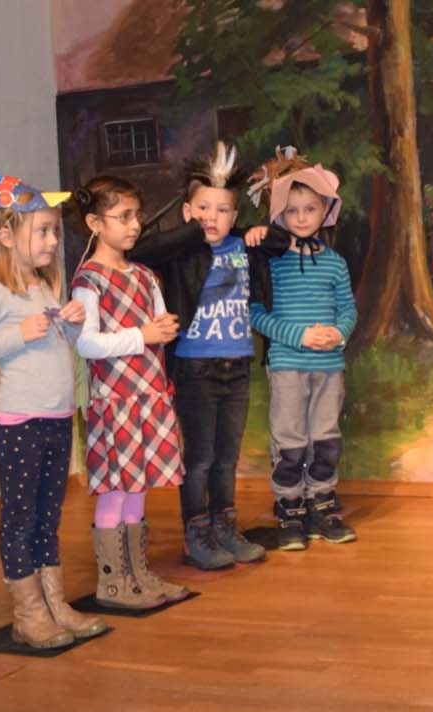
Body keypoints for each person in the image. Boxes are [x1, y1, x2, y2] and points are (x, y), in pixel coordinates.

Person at [0, 172, 110, 646]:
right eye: (43, 231)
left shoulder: (44, 286)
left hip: (57, 420)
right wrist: (17, 334)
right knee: (20, 518)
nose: (53, 240)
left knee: (48, 518)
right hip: (20, 425)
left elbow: (58, 344)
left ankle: (55, 605)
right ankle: (28, 613)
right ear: (7, 235)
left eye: (54, 230)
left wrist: (72, 323)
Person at [129, 143, 292, 570]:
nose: (212, 218)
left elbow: (281, 242)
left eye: (222, 210)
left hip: (236, 368)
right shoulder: (183, 251)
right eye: (202, 208)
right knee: (199, 459)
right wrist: (192, 232)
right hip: (195, 369)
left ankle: (225, 528)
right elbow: (140, 250)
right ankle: (196, 534)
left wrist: (262, 233)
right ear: (187, 212)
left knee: (226, 458)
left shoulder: (242, 245)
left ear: (235, 216)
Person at [69, 177, 191, 608]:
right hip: (116, 400)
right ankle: (113, 582)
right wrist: (143, 335)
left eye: (137, 215)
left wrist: (163, 329)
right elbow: (87, 344)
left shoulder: (143, 275)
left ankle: (139, 574)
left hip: (149, 395)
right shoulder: (90, 281)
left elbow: (156, 325)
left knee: (139, 487)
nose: (135, 224)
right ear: (94, 223)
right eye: (123, 217)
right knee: (116, 489)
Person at [246, 149, 358, 550]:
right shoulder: (270, 262)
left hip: (329, 365)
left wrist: (338, 334)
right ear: (279, 215)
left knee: (325, 436)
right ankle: (290, 509)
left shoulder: (335, 263)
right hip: (287, 363)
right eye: (292, 211)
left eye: (310, 208)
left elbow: (348, 309)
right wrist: (299, 335)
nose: (302, 217)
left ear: (325, 209)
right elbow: (256, 313)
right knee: (290, 438)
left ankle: (321, 505)